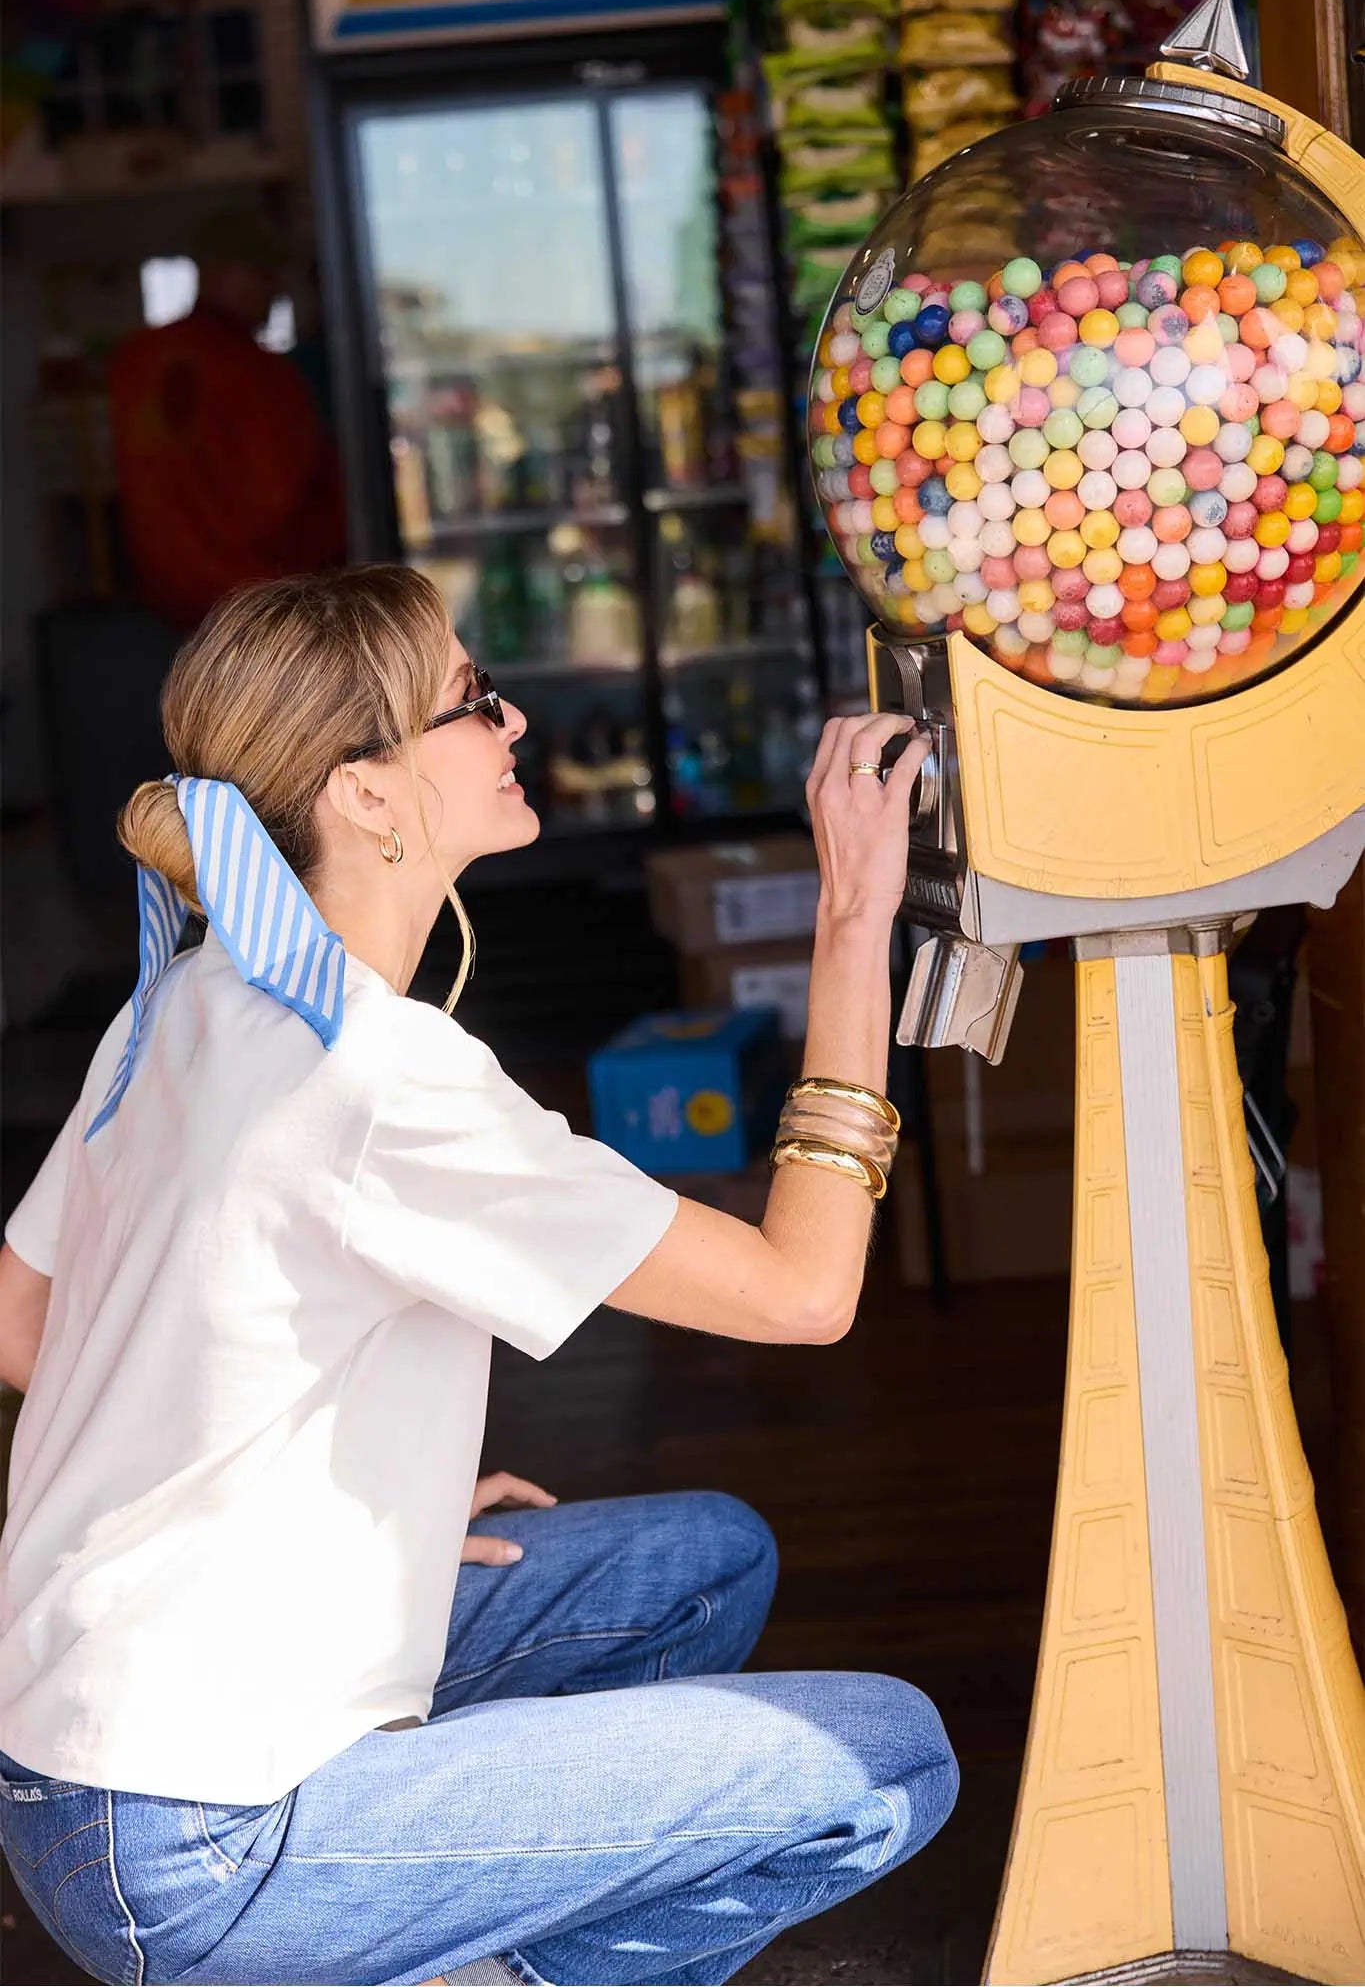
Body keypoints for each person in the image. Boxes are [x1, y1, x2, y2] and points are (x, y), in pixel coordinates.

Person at [0, 565, 955, 1987]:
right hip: (198, 1836)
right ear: (367, 796)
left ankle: (420, 1905)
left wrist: (346, 1500)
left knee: (701, 1562)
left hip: (58, 1777)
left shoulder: (190, 994)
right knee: (886, 1760)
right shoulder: (381, 1078)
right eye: (467, 702)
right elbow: (801, 1289)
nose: (510, 720)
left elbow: (27, 1331)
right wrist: (853, 918)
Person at [108, 210, 346, 632]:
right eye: (265, 274)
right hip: (263, 608)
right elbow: (277, 497)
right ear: (221, 271)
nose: (276, 293)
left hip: (171, 611)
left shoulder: (136, 359)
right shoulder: (256, 373)